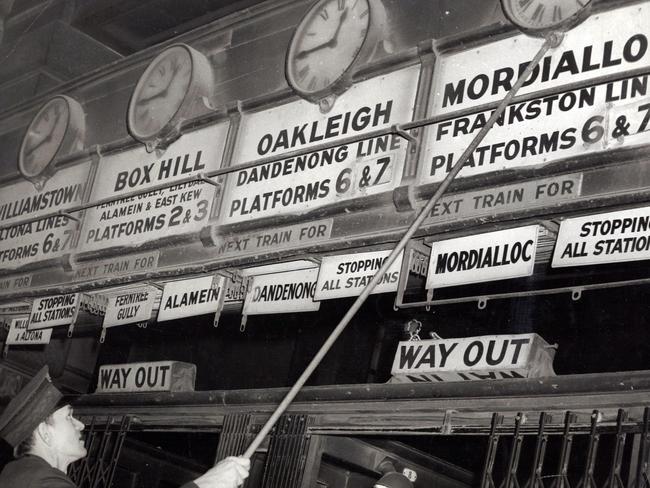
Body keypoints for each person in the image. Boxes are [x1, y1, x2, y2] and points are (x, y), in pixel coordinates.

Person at [0, 366, 250, 488]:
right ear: (44, 432)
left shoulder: (30, 476)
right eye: (69, 417)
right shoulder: (35, 478)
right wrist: (206, 484)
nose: (81, 424)